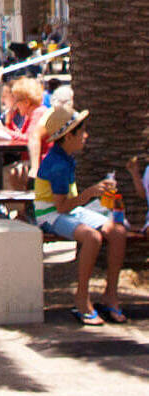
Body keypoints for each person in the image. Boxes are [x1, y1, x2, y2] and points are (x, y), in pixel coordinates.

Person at [34, 105, 128, 324]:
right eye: (82, 131)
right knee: (92, 237)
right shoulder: (57, 163)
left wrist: (91, 195)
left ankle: (110, 296)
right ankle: (81, 298)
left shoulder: (65, 156)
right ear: (68, 136)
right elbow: (60, 208)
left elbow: (70, 206)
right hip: (50, 215)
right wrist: (90, 193)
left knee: (118, 232)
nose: (86, 135)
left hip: (68, 210)